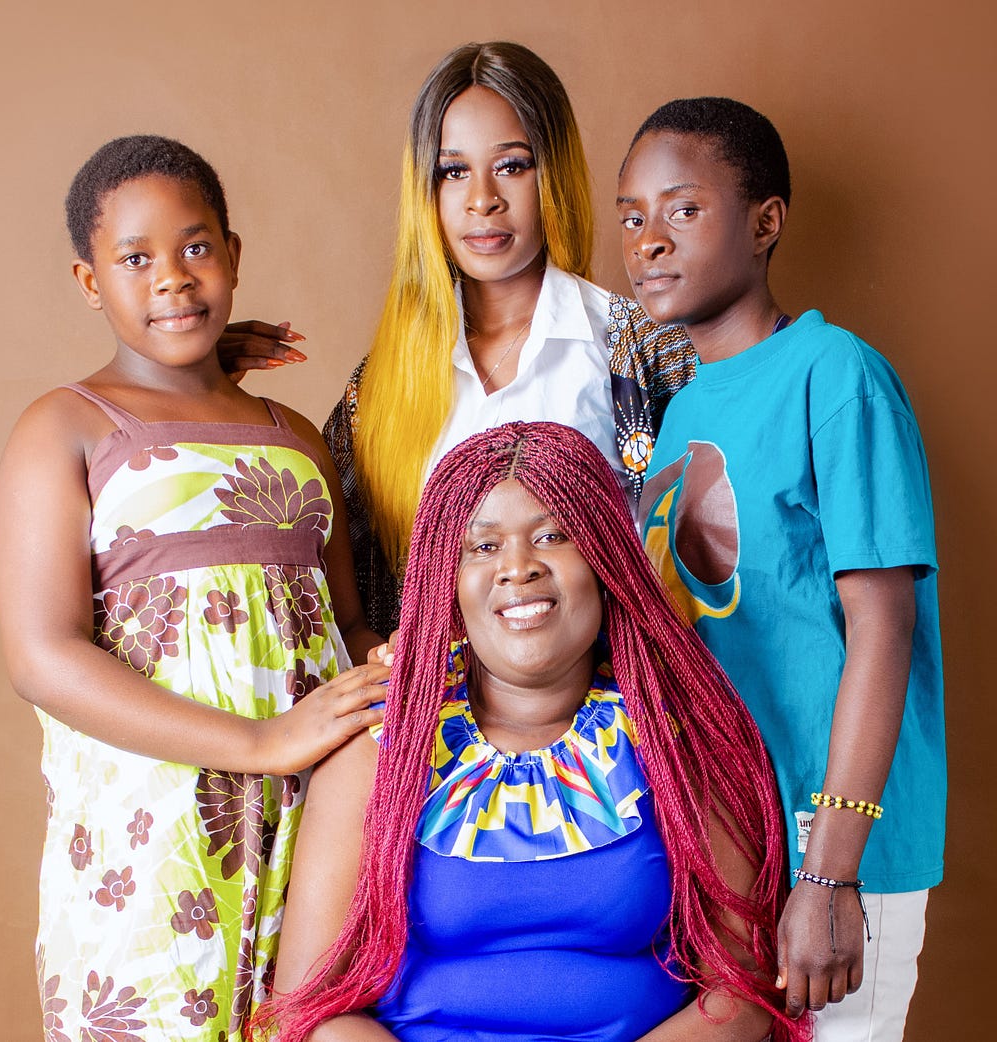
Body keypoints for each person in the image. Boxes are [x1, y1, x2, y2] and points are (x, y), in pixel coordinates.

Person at [0, 135, 387, 1041]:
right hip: (155, 845)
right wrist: (260, 739)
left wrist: (387, 664)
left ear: (235, 255)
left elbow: (345, 619)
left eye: (196, 247)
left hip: (312, 834)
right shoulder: (65, 429)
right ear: (91, 282)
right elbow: (43, 658)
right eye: (136, 259)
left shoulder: (296, 434)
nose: (173, 278)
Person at [257, 421, 810, 1042]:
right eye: (483, 547)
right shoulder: (380, 745)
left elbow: (740, 992)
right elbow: (312, 1009)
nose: (518, 568)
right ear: (447, 579)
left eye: (552, 536)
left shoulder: (677, 734)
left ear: (605, 559)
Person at [618, 98, 945, 1040]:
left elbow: (884, 629)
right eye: (632, 216)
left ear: (765, 223)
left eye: (682, 210)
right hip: (728, 840)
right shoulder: (680, 414)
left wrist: (830, 872)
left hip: (831, 847)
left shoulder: (836, 374)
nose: (648, 242)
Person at [221, 41, 695, 635]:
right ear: (428, 190)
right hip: (439, 719)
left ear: (555, 172)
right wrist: (198, 381)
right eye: (453, 171)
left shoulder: (638, 350)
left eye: (512, 165)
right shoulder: (379, 391)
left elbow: (709, 563)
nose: (482, 200)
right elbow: (311, 559)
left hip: (617, 713)